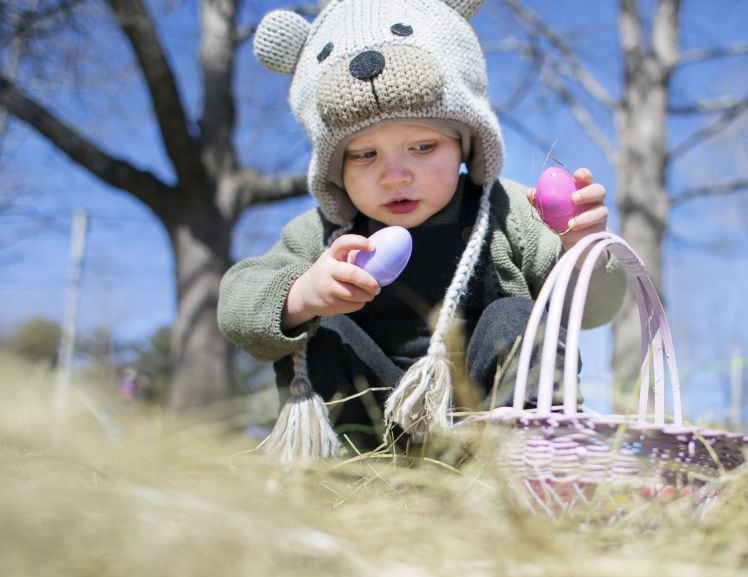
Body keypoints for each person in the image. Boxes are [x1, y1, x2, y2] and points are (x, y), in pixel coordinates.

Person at [217, 0, 627, 466]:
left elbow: (593, 311)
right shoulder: (324, 233)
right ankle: (346, 475)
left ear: (465, 147)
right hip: (372, 423)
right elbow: (236, 305)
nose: (395, 175)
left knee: (517, 318)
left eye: (423, 147)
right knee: (327, 333)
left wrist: (578, 249)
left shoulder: (507, 210)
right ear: (334, 169)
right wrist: (301, 296)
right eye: (364, 155)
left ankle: (537, 456)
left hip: (480, 419)